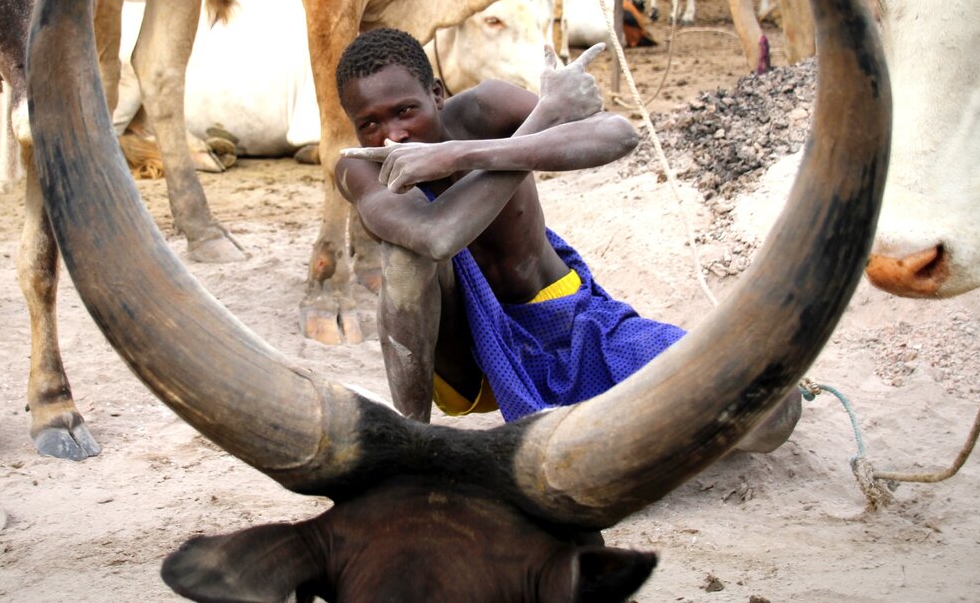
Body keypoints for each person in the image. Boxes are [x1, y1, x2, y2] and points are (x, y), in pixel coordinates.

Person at [335, 27, 800, 451]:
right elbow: (438, 237)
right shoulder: (358, 168)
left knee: (772, 408)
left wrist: (461, 152)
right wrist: (544, 117)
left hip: (571, 325)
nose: (392, 135)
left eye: (405, 111)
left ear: (436, 94)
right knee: (404, 254)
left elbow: (618, 134)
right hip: (468, 360)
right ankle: (409, 448)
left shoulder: (485, 110)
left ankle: (630, 430)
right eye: (369, 124)